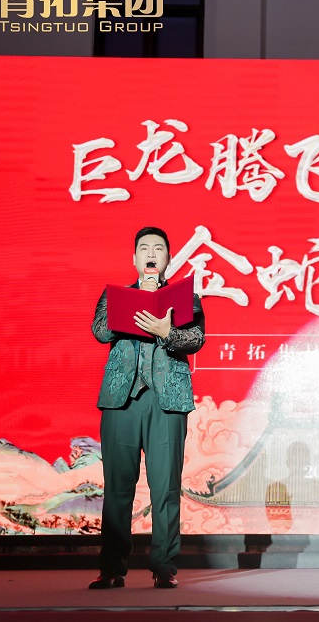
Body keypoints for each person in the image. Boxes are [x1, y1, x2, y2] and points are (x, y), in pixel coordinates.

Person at [88, 227, 205, 590]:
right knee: (117, 487)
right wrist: (137, 306)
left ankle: (164, 565)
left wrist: (167, 331)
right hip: (121, 400)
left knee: (165, 486)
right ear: (135, 259)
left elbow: (196, 339)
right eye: (144, 248)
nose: (151, 253)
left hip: (167, 400)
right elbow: (100, 331)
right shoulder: (115, 296)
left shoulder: (185, 298)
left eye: (158, 248)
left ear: (167, 258)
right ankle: (112, 567)